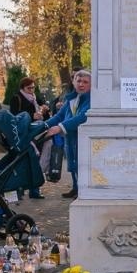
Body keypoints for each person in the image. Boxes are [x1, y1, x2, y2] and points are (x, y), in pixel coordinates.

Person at [44, 69, 91, 199]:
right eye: (79, 80)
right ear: (74, 82)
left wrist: (61, 127)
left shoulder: (91, 99)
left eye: (85, 82)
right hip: (70, 138)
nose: (81, 84)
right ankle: (76, 188)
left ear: (91, 85)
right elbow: (59, 116)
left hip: (82, 138)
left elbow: (82, 116)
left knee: (82, 164)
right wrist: (44, 125)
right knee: (72, 163)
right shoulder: (71, 99)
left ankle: (82, 190)